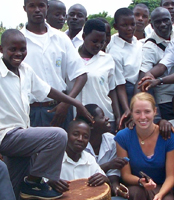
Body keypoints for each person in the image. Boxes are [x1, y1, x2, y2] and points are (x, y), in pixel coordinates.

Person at [0, 29, 92, 200]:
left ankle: (27, 186)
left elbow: (48, 90)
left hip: (21, 135)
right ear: (1, 49)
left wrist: (75, 102)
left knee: (15, 188)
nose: (18, 53)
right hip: (5, 135)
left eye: (23, 49)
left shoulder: (25, 70)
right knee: (57, 136)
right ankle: (34, 182)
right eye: (13, 49)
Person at [21, 0, 88, 129]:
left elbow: (81, 75)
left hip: (59, 110)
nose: (37, 10)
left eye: (41, 5)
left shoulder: (61, 38)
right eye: (32, 6)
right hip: (29, 111)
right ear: (25, 8)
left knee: (62, 148)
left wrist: (66, 103)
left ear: (47, 7)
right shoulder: (19, 39)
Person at [114, 92, 174, 200]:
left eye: (147, 111)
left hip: (161, 187)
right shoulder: (123, 137)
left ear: (155, 112)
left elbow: (171, 176)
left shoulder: (168, 135)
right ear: (131, 113)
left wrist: (160, 194)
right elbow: (125, 175)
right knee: (135, 193)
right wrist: (141, 181)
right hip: (138, 186)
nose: (143, 117)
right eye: (138, 112)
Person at [77, 19, 120, 133]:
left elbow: (112, 90)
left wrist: (117, 115)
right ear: (84, 36)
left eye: (102, 42)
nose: (98, 45)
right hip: (77, 118)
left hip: (103, 116)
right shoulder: (71, 58)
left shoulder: (107, 59)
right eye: (94, 41)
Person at [136, 7, 174, 120]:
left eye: (166, 20)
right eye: (158, 22)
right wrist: (147, 77)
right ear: (151, 24)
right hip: (166, 101)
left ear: (172, 20)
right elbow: (144, 73)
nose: (163, 24)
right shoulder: (150, 47)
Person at [47, 120, 109, 193]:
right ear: (66, 135)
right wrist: (49, 183)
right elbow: (39, 185)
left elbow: (105, 181)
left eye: (85, 137)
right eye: (75, 134)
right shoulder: (53, 157)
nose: (80, 139)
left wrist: (104, 179)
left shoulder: (89, 159)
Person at [107, 8, 143, 127]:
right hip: (125, 93)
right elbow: (120, 85)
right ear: (116, 26)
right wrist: (127, 109)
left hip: (140, 87)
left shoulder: (138, 43)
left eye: (132, 24)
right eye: (124, 25)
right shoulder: (115, 51)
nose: (129, 28)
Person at [84, 104, 129, 199]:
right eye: (102, 117)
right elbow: (82, 176)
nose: (107, 118)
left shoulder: (112, 140)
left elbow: (113, 174)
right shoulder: (80, 145)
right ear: (91, 125)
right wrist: (108, 165)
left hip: (105, 188)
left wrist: (116, 187)